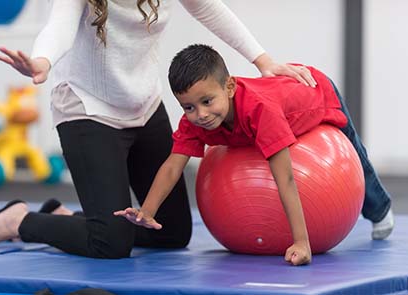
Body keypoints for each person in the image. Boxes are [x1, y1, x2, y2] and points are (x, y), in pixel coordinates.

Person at [0, 0, 316, 258]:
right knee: (110, 244)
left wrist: (263, 59)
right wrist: (42, 61)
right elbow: (59, 25)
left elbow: (209, 8)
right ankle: (20, 221)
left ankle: (73, 219)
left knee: (170, 233)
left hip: (144, 106)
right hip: (88, 109)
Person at [114, 44, 394, 266]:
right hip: (279, 96)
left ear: (230, 87)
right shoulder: (196, 122)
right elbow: (173, 166)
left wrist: (301, 243)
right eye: (188, 107)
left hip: (315, 91)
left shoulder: (261, 112)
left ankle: (379, 208)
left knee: (355, 150)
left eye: (207, 101)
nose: (200, 115)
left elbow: (284, 178)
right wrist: (146, 211)